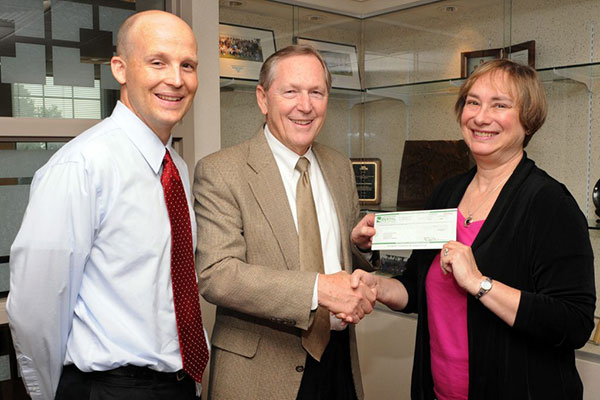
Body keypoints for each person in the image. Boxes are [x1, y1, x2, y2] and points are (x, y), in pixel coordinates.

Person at [350, 59, 596, 399]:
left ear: (528, 119)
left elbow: (575, 323)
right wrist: (374, 284)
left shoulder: (549, 203)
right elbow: (416, 289)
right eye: (473, 102)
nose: (481, 117)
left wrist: (479, 284)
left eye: (500, 104)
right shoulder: (446, 193)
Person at [7, 10, 208, 400]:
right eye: (157, 62)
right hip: (108, 388)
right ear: (120, 68)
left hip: (179, 385)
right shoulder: (82, 165)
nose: (176, 79)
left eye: (188, 65)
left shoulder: (176, 168)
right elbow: (36, 308)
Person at [193, 44, 376, 400]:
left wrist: (356, 243)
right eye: (290, 92)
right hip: (260, 371)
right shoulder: (222, 171)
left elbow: (340, 262)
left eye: (316, 93)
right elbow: (217, 274)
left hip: (338, 362)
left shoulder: (339, 167)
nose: (304, 106)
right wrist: (318, 290)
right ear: (263, 98)